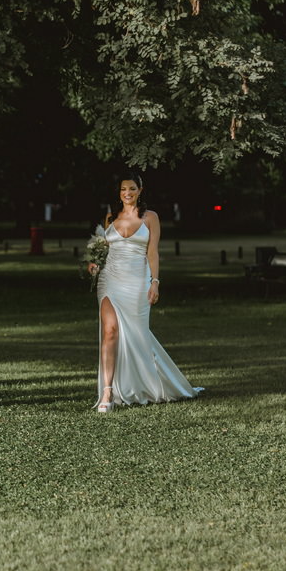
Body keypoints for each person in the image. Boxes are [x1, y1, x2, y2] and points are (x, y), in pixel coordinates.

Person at [88, 173, 201, 413]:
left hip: (137, 282)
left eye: (131, 188)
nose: (127, 193)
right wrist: (95, 263)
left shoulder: (151, 218)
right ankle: (107, 392)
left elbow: (153, 252)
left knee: (137, 335)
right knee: (109, 332)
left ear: (140, 190)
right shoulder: (110, 217)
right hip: (109, 280)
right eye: (123, 189)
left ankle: (152, 383)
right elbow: (102, 249)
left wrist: (155, 282)